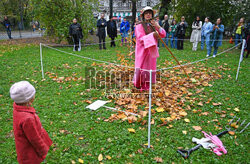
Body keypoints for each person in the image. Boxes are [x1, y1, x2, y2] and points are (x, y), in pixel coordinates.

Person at [10, 81, 52, 164]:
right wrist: (43, 150)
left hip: (22, 147)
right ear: (29, 99)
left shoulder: (18, 109)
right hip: (29, 152)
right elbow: (34, 138)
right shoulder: (27, 119)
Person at [133, 6, 166, 91]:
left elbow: (163, 34)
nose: (148, 15)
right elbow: (140, 39)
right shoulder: (139, 26)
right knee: (141, 68)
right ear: (143, 15)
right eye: (146, 13)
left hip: (151, 51)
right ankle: (138, 84)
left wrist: (158, 27)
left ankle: (147, 86)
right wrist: (153, 35)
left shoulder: (154, 25)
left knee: (150, 68)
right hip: (142, 51)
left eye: (150, 13)